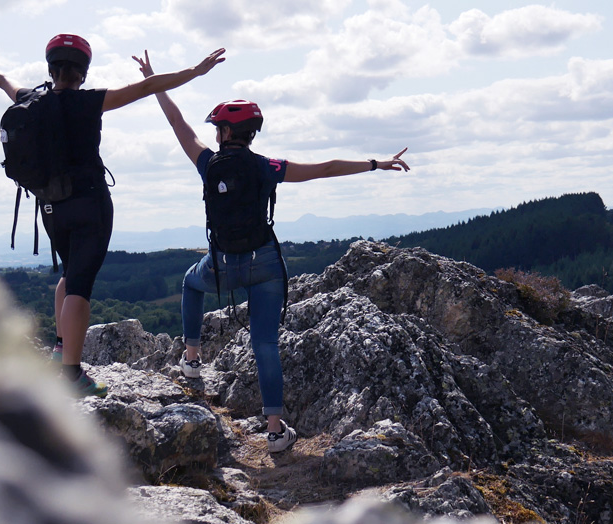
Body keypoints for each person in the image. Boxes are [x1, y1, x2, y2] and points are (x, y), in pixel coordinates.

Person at [132, 51, 410, 453]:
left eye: (217, 128)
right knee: (265, 344)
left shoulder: (208, 163)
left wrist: (155, 80)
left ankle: (191, 359)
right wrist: (375, 164)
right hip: (265, 264)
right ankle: (276, 432)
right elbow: (326, 167)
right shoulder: (268, 166)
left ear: (225, 132)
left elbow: (177, 123)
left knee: (190, 285)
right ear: (251, 133)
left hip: (222, 265)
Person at [0, 37, 225, 397]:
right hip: (90, 205)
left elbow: (2, 79)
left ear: (51, 69)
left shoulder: (30, 100)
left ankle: (61, 350)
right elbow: (147, 87)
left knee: (69, 273)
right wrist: (195, 71)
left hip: (50, 206)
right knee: (80, 285)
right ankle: (71, 374)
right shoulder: (88, 101)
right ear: (83, 73)